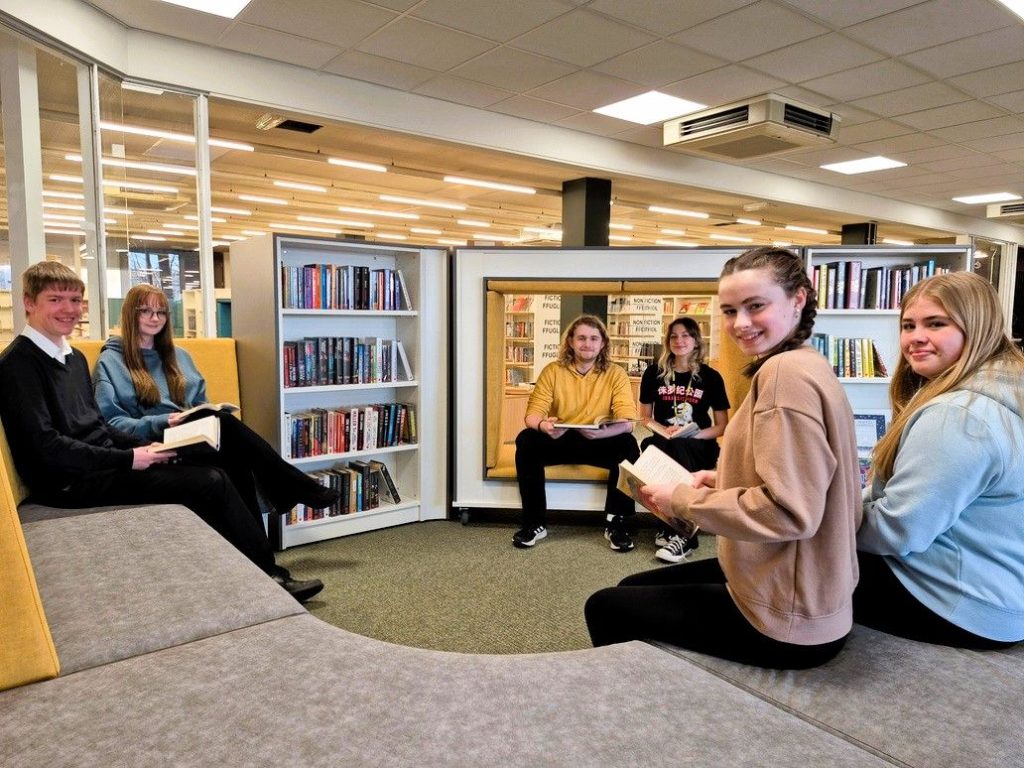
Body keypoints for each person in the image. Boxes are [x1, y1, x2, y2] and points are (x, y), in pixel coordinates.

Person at [585, 247, 861, 669]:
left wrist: (681, 501)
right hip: (811, 594)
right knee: (631, 586)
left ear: (798, 299)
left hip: (786, 617)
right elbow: (808, 476)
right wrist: (723, 479)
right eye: (730, 311)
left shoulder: (782, 377)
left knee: (605, 606)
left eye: (756, 307)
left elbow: (791, 512)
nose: (741, 324)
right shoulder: (808, 363)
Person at [0, 262, 323, 602]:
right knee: (210, 480)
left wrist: (145, 447)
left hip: (102, 462)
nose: (68, 310)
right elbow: (47, 448)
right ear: (28, 302)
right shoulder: (18, 365)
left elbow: (99, 425)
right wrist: (130, 458)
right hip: (69, 482)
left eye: (75, 300)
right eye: (55, 300)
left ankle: (260, 571)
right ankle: (269, 570)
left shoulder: (73, 357)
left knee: (227, 460)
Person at [855, 271, 1024, 649]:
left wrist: (821, 521)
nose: (915, 337)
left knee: (785, 569)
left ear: (977, 328)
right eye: (908, 325)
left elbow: (897, 531)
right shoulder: (1000, 392)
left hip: (958, 604)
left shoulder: (959, 415)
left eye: (936, 324)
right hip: (997, 595)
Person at [93, 283, 339, 521]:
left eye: (160, 312)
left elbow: (201, 403)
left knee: (236, 459)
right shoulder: (111, 361)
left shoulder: (180, 356)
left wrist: (200, 416)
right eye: (146, 311)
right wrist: (163, 420)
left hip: (191, 437)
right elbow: (111, 423)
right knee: (229, 437)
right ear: (130, 314)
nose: (155, 318)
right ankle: (293, 485)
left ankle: (259, 557)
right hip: (153, 442)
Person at [513, 314, 640, 551]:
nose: (587, 344)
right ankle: (534, 523)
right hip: (560, 437)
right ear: (570, 341)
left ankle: (616, 523)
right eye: (581, 338)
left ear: (603, 343)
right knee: (526, 440)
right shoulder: (552, 371)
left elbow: (628, 421)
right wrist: (544, 426)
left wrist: (602, 434)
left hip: (598, 439)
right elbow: (532, 415)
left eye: (594, 338)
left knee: (629, 444)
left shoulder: (615, 373)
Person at [638, 316, 729, 563]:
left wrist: (696, 433)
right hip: (665, 439)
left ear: (696, 340)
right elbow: (645, 418)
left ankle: (685, 535)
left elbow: (722, 425)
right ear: (667, 341)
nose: (679, 341)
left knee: (678, 446)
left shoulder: (711, 377)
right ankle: (671, 523)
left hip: (699, 443)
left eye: (686, 335)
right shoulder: (653, 374)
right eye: (674, 336)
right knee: (656, 445)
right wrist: (662, 429)